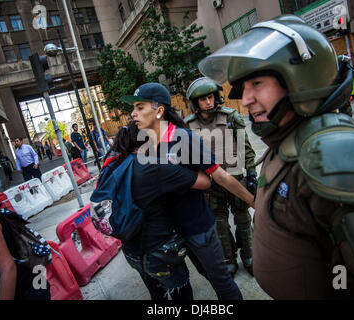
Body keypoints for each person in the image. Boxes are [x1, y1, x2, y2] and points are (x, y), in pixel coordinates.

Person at [198, 14, 354, 299]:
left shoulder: (333, 153)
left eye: (257, 84)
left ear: (298, 80)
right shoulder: (289, 136)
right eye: (244, 89)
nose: (246, 99)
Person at [123, 82, 255, 300]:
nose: (133, 113)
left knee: (218, 278)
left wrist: (253, 201)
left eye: (139, 107)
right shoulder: (143, 141)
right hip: (168, 234)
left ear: (158, 111)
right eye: (134, 108)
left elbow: (218, 175)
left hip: (197, 228)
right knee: (193, 279)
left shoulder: (183, 138)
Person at [92, 121, 213, 300]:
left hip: (132, 251)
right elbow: (205, 181)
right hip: (160, 251)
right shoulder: (151, 165)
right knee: (181, 293)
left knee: (157, 294)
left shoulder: (113, 164)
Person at [184, 77, 256, 276]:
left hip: (236, 176)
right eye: (202, 99)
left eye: (210, 97)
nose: (208, 102)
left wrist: (251, 174)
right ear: (195, 103)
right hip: (210, 183)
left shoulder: (231, 117)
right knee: (219, 224)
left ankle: (250, 256)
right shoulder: (188, 126)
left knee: (242, 218)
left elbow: (246, 149)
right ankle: (228, 258)